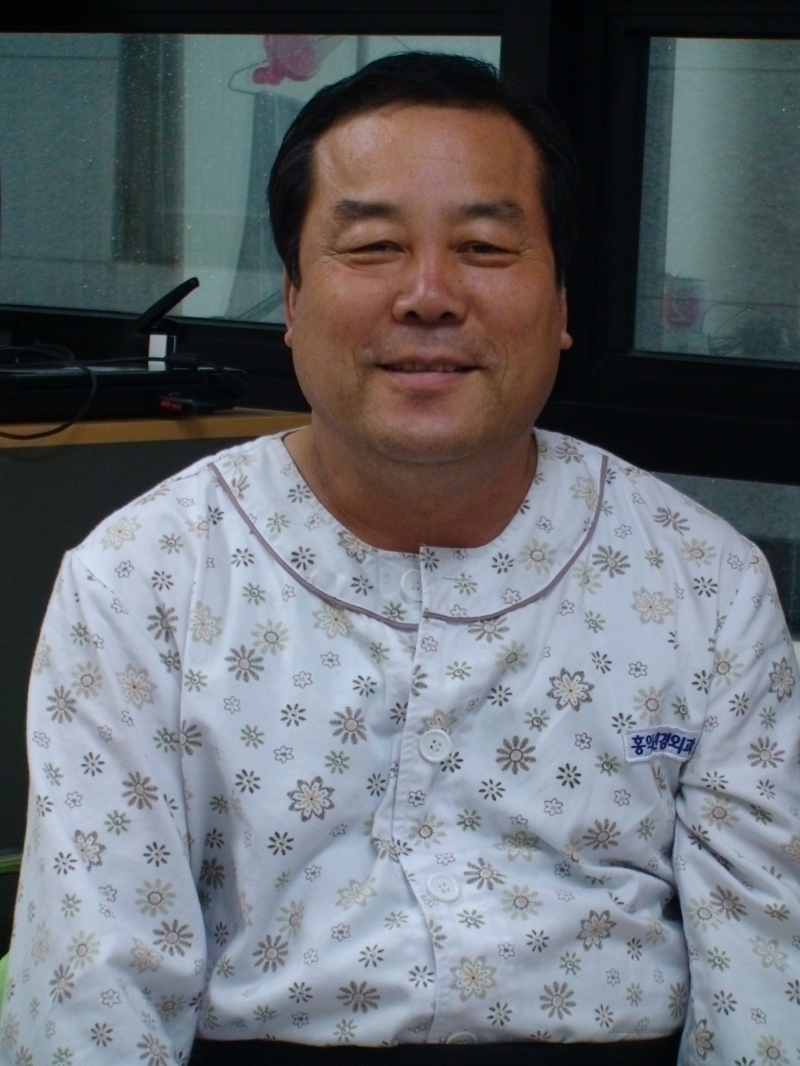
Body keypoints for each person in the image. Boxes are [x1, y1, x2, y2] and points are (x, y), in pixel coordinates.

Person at [1, 52, 798, 1066]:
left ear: (561, 304)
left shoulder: (706, 586)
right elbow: (93, 995)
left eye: (484, 246)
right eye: (373, 246)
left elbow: (766, 984)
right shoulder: (140, 582)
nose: (428, 295)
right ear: (291, 300)